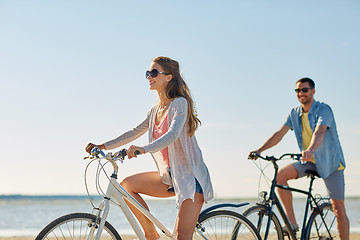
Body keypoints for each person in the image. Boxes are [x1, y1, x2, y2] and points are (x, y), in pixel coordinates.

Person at [86, 56, 214, 240]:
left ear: (169, 77)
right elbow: (134, 132)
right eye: (148, 73)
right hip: (170, 178)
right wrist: (103, 146)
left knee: (181, 237)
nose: (149, 76)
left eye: (154, 72)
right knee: (127, 186)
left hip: (191, 179)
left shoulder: (179, 103)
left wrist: (143, 149)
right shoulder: (155, 110)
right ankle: (151, 234)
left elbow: (172, 135)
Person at [249, 77, 349, 240]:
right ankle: (292, 224)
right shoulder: (294, 113)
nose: (301, 93)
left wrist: (310, 150)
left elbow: (319, 132)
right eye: (298, 90)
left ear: (313, 91)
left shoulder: (324, 110)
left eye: (304, 90)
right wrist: (260, 150)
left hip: (331, 165)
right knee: (280, 176)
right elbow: (279, 133)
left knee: (338, 209)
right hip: (309, 161)